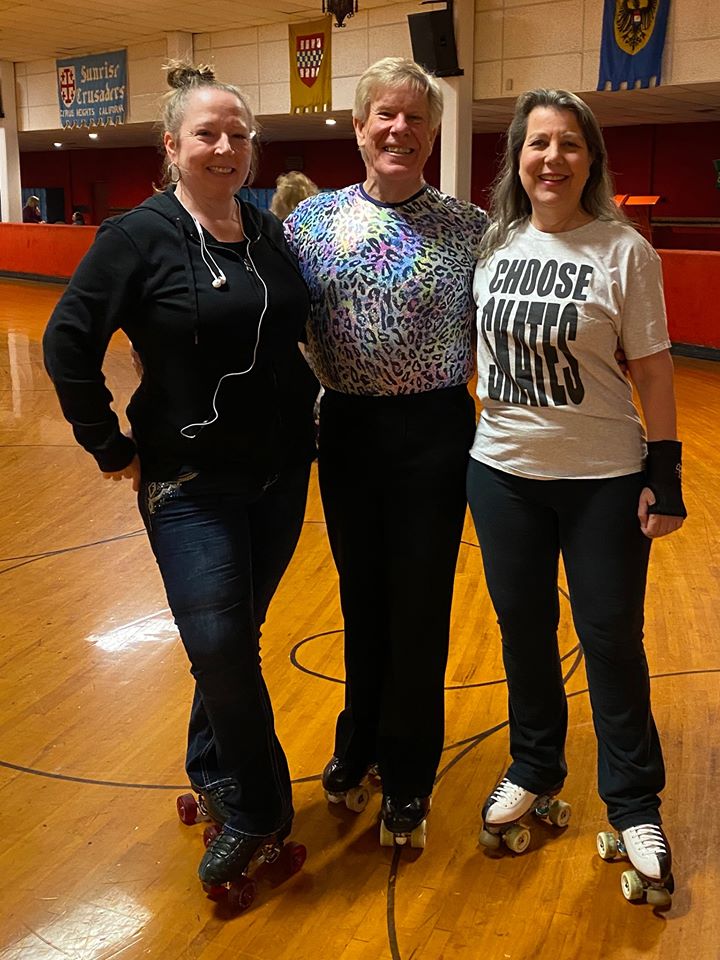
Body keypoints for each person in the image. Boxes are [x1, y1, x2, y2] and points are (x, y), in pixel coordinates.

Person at [43, 61, 318, 890]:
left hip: (277, 475)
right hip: (189, 482)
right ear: (173, 146)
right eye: (208, 132)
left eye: (238, 133)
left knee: (234, 641)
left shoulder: (267, 231)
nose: (226, 145)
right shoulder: (135, 236)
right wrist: (110, 446)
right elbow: (67, 344)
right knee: (222, 643)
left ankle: (213, 766)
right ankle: (262, 807)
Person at [467, 88, 686, 904]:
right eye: (536, 144)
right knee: (523, 631)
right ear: (517, 159)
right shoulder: (493, 246)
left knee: (610, 642)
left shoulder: (623, 251)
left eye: (568, 145)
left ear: (589, 159)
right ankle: (534, 763)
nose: (551, 158)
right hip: (501, 475)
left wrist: (664, 473)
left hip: (602, 480)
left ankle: (634, 803)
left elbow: (655, 368)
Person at [284, 57, 488, 846]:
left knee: (419, 607)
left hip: (434, 432)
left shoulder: (469, 227)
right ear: (361, 126)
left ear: (433, 132)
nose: (399, 129)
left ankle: (408, 771)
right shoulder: (311, 224)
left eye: (416, 118)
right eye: (385, 116)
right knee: (360, 600)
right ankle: (357, 741)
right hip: (347, 431)